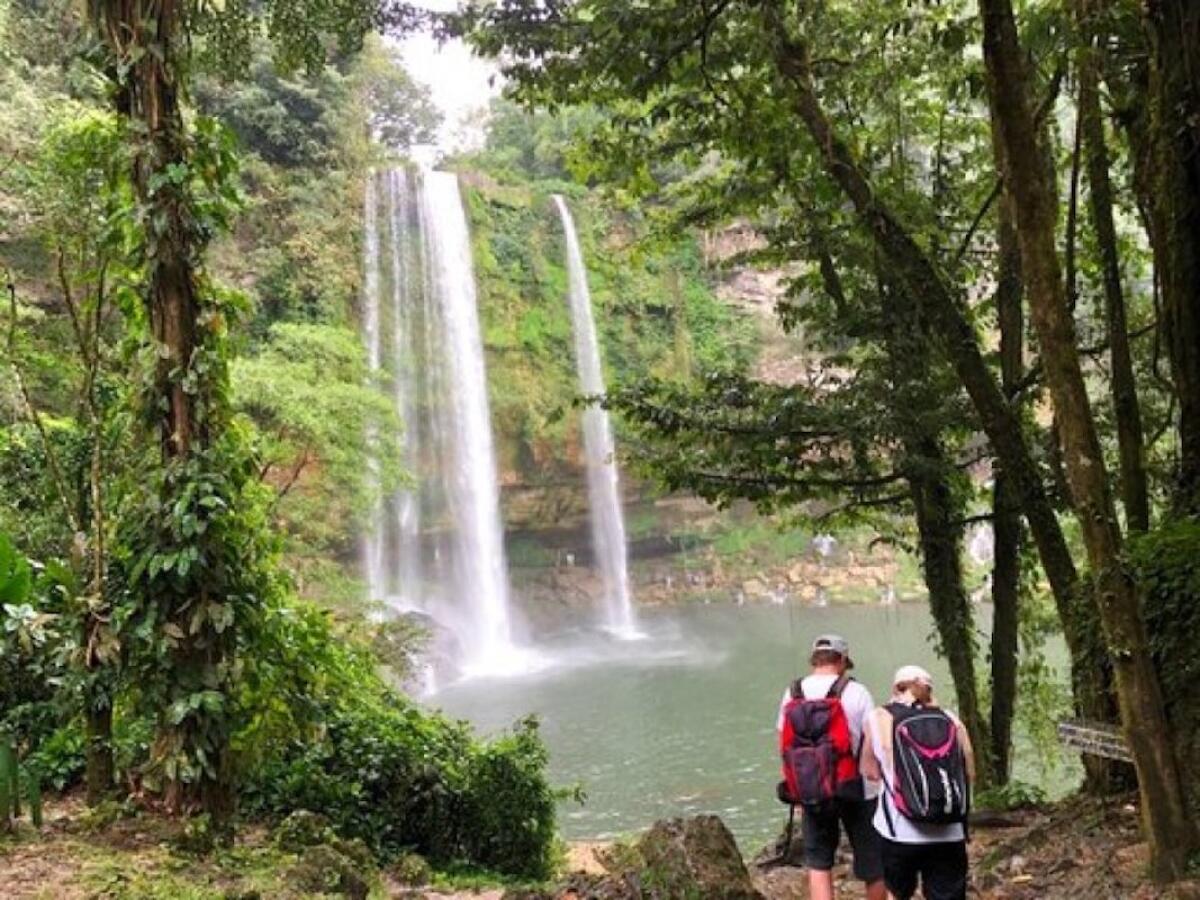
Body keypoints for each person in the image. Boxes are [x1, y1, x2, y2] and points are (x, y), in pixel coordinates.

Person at [776, 634, 886, 900]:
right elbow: (873, 741)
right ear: (843, 660)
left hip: (812, 788)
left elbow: (783, 743)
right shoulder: (856, 692)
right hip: (856, 787)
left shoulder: (793, 692)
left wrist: (796, 785)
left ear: (815, 659)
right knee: (874, 865)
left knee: (819, 862)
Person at [860, 665, 975, 900]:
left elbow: (868, 771)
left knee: (897, 894)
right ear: (929, 690)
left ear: (895, 688)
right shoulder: (951, 719)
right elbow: (970, 773)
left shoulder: (879, 717)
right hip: (949, 830)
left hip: (898, 832)